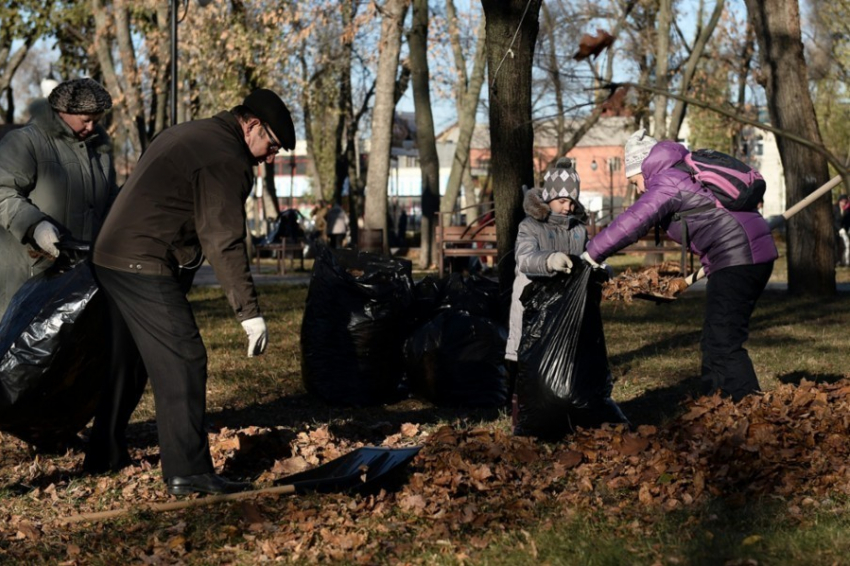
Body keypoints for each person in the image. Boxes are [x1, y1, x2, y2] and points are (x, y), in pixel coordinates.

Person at [85, 89, 296, 496]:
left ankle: (104, 452)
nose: (271, 157)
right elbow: (224, 239)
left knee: (128, 361)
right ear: (250, 125)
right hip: (142, 262)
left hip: (111, 254)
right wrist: (249, 313)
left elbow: (173, 204)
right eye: (271, 145)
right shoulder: (226, 158)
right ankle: (188, 472)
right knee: (185, 357)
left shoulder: (192, 132)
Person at [581, 129, 778, 401]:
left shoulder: (667, 181)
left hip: (739, 257)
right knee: (715, 338)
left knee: (723, 342)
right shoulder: (681, 170)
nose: (637, 188)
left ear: (643, 168)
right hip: (742, 255)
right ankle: (717, 402)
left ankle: (750, 410)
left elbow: (632, 223)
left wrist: (590, 254)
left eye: (634, 180)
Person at [0, 78, 117, 318]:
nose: (93, 127)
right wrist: (35, 225)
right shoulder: (25, 142)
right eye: (86, 120)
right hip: (30, 274)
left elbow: (109, 201)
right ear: (63, 112)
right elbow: (3, 193)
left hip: (81, 278)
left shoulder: (101, 152)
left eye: (97, 120)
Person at [505, 158, 587, 364]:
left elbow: (588, 255)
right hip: (530, 301)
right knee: (523, 350)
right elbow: (524, 259)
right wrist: (549, 260)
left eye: (571, 202)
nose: (567, 207)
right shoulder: (530, 226)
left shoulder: (578, 230)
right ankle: (516, 391)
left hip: (564, 304)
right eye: (562, 201)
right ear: (549, 197)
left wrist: (600, 266)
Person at [833, 194, 849, 267]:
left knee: (845, 245)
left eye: (845, 202)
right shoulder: (835, 209)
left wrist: (845, 230)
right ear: (839, 201)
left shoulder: (847, 210)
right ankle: (837, 261)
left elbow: (847, 222)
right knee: (836, 246)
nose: (843, 203)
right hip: (835, 230)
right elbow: (834, 221)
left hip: (843, 231)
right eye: (842, 201)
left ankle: (844, 261)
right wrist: (839, 229)